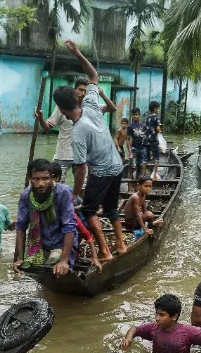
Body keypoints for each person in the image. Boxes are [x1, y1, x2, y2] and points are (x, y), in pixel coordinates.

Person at [52, 40, 127, 262]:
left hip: (103, 172)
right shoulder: (92, 104)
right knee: (112, 209)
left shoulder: (77, 133)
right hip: (118, 165)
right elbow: (94, 75)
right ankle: (121, 246)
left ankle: (104, 251)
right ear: (77, 98)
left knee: (89, 211)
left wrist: (74, 194)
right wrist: (77, 52)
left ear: (63, 110)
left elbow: (81, 169)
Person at [34, 79, 117, 183]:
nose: (82, 93)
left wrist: (102, 94)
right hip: (63, 155)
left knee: (83, 186)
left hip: (82, 156)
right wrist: (41, 118)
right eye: (80, 90)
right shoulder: (62, 106)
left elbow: (112, 108)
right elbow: (47, 127)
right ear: (74, 90)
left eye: (85, 91)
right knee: (55, 184)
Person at [121, 294, 201, 353]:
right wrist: (128, 339)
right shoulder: (153, 328)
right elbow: (134, 329)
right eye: (156, 313)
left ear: (174, 317)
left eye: (161, 315)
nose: (157, 318)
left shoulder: (187, 332)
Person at [13, 158, 77, 277]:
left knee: (55, 266)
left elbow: (69, 227)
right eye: (36, 179)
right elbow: (21, 227)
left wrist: (64, 260)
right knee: (31, 266)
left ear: (52, 178)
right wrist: (20, 258)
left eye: (45, 178)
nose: (41, 184)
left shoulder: (63, 192)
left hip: (60, 243)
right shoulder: (26, 195)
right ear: (30, 179)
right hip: (40, 244)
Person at [49, 162, 102, 271]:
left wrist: (94, 256)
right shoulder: (50, 197)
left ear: (56, 178)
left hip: (79, 219)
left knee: (77, 234)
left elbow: (86, 234)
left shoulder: (66, 194)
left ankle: (73, 257)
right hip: (69, 222)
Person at [143, 101, 163, 178]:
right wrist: (160, 131)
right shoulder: (156, 117)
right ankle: (154, 174)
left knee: (145, 159)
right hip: (153, 140)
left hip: (146, 140)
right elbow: (158, 129)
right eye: (158, 108)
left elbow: (144, 128)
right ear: (155, 109)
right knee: (156, 158)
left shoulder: (146, 117)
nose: (158, 110)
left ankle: (143, 174)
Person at [127, 108, 147, 178]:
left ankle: (137, 185)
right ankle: (129, 188)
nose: (135, 116)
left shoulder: (143, 125)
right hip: (134, 149)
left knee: (140, 168)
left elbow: (146, 138)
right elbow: (128, 140)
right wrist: (130, 152)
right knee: (131, 168)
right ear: (132, 116)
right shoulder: (130, 126)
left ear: (139, 115)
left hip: (142, 149)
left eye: (137, 115)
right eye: (134, 115)